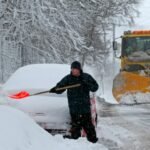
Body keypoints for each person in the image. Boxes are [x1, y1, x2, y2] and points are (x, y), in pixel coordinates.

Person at [49, 61, 99, 143]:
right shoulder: (68, 79)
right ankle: (76, 145)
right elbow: (60, 88)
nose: (74, 71)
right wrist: (55, 89)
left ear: (80, 69)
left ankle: (93, 144)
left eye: (76, 69)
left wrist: (87, 83)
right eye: (73, 69)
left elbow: (95, 87)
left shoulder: (86, 77)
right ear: (71, 69)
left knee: (89, 128)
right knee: (75, 131)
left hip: (85, 109)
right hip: (74, 110)